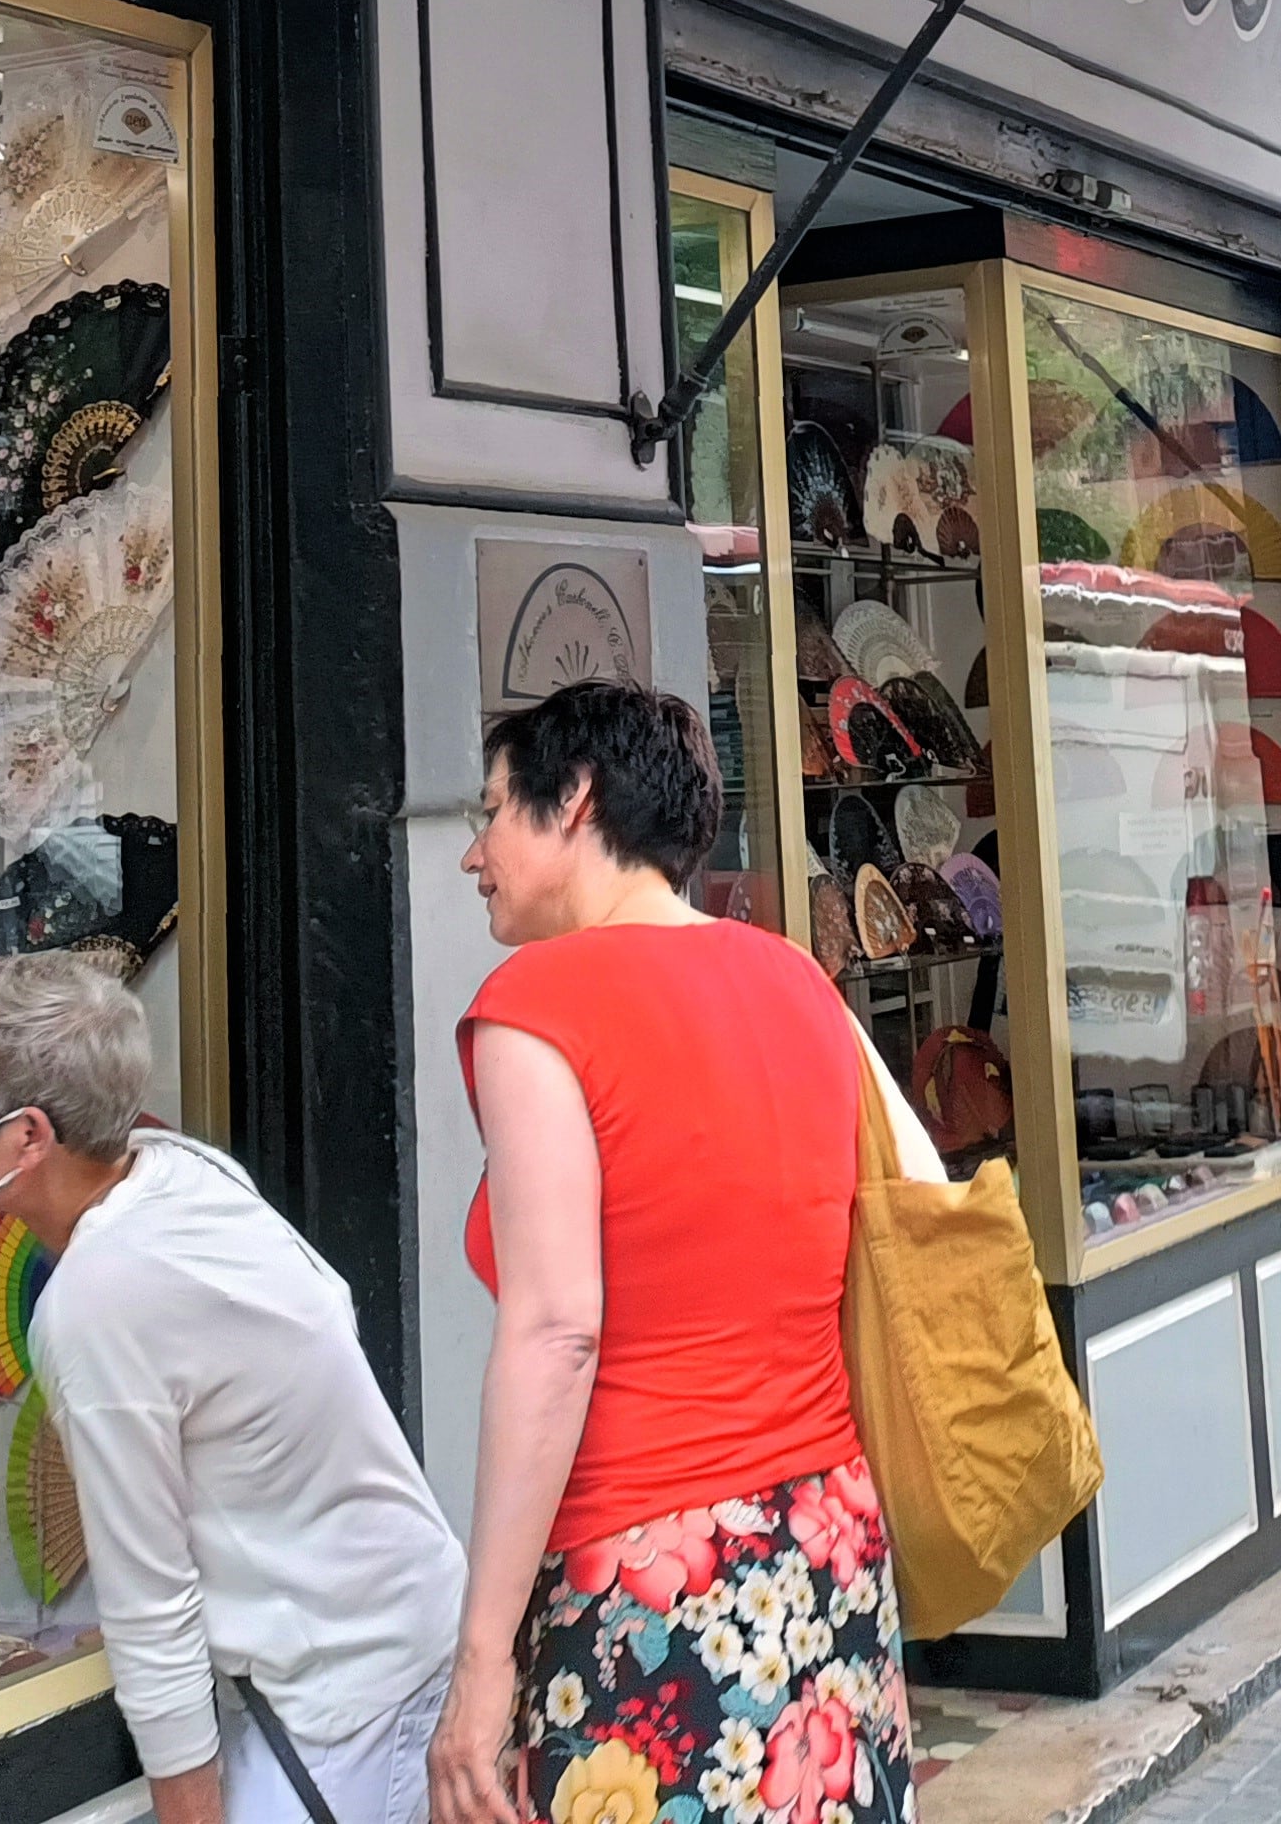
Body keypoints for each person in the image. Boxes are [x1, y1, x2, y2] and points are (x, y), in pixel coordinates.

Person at [431, 679, 917, 1824]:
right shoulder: (795, 978)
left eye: (493, 810)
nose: (473, 854)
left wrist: (482, 1656)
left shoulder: (537, 1003)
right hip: (828, 1539)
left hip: (653, 1568)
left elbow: (556, 1334)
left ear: (577, 800)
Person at [0, 953, 462, 1824]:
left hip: (346, 1691)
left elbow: (149, 1601)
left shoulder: (96, 1301)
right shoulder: (177, 1170)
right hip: (385, 1630)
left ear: (28, 1134)